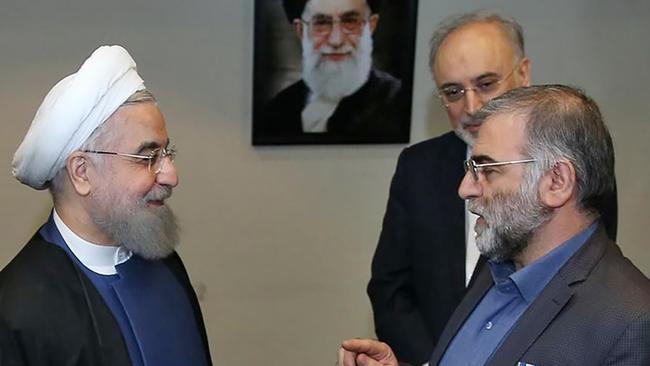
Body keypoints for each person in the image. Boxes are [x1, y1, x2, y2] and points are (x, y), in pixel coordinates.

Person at [366, 11, 618, 365]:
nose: (472, 107)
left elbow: (583, 282)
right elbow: (390, 287)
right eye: (453, 91)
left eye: (486, 84)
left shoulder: (568, 164)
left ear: (524, 73)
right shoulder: (418, 166)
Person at [339, 85, 650, 366]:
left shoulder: (632, 322)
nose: (465, 189)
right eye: (471, 167)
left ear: (557, 181)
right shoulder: (495, 268)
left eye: (486, 169)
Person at [0, 45, 212, 365]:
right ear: (82, 173)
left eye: (167, 154)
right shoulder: (16, 308)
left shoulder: (165, 263)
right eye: (147, 157)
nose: (171, 175)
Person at [255, 0, 408, 143]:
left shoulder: (396, 100)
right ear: (301, 30)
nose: (336, 40)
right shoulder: (278, 109)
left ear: (371, 26)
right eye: (321, 23)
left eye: (350, 22)